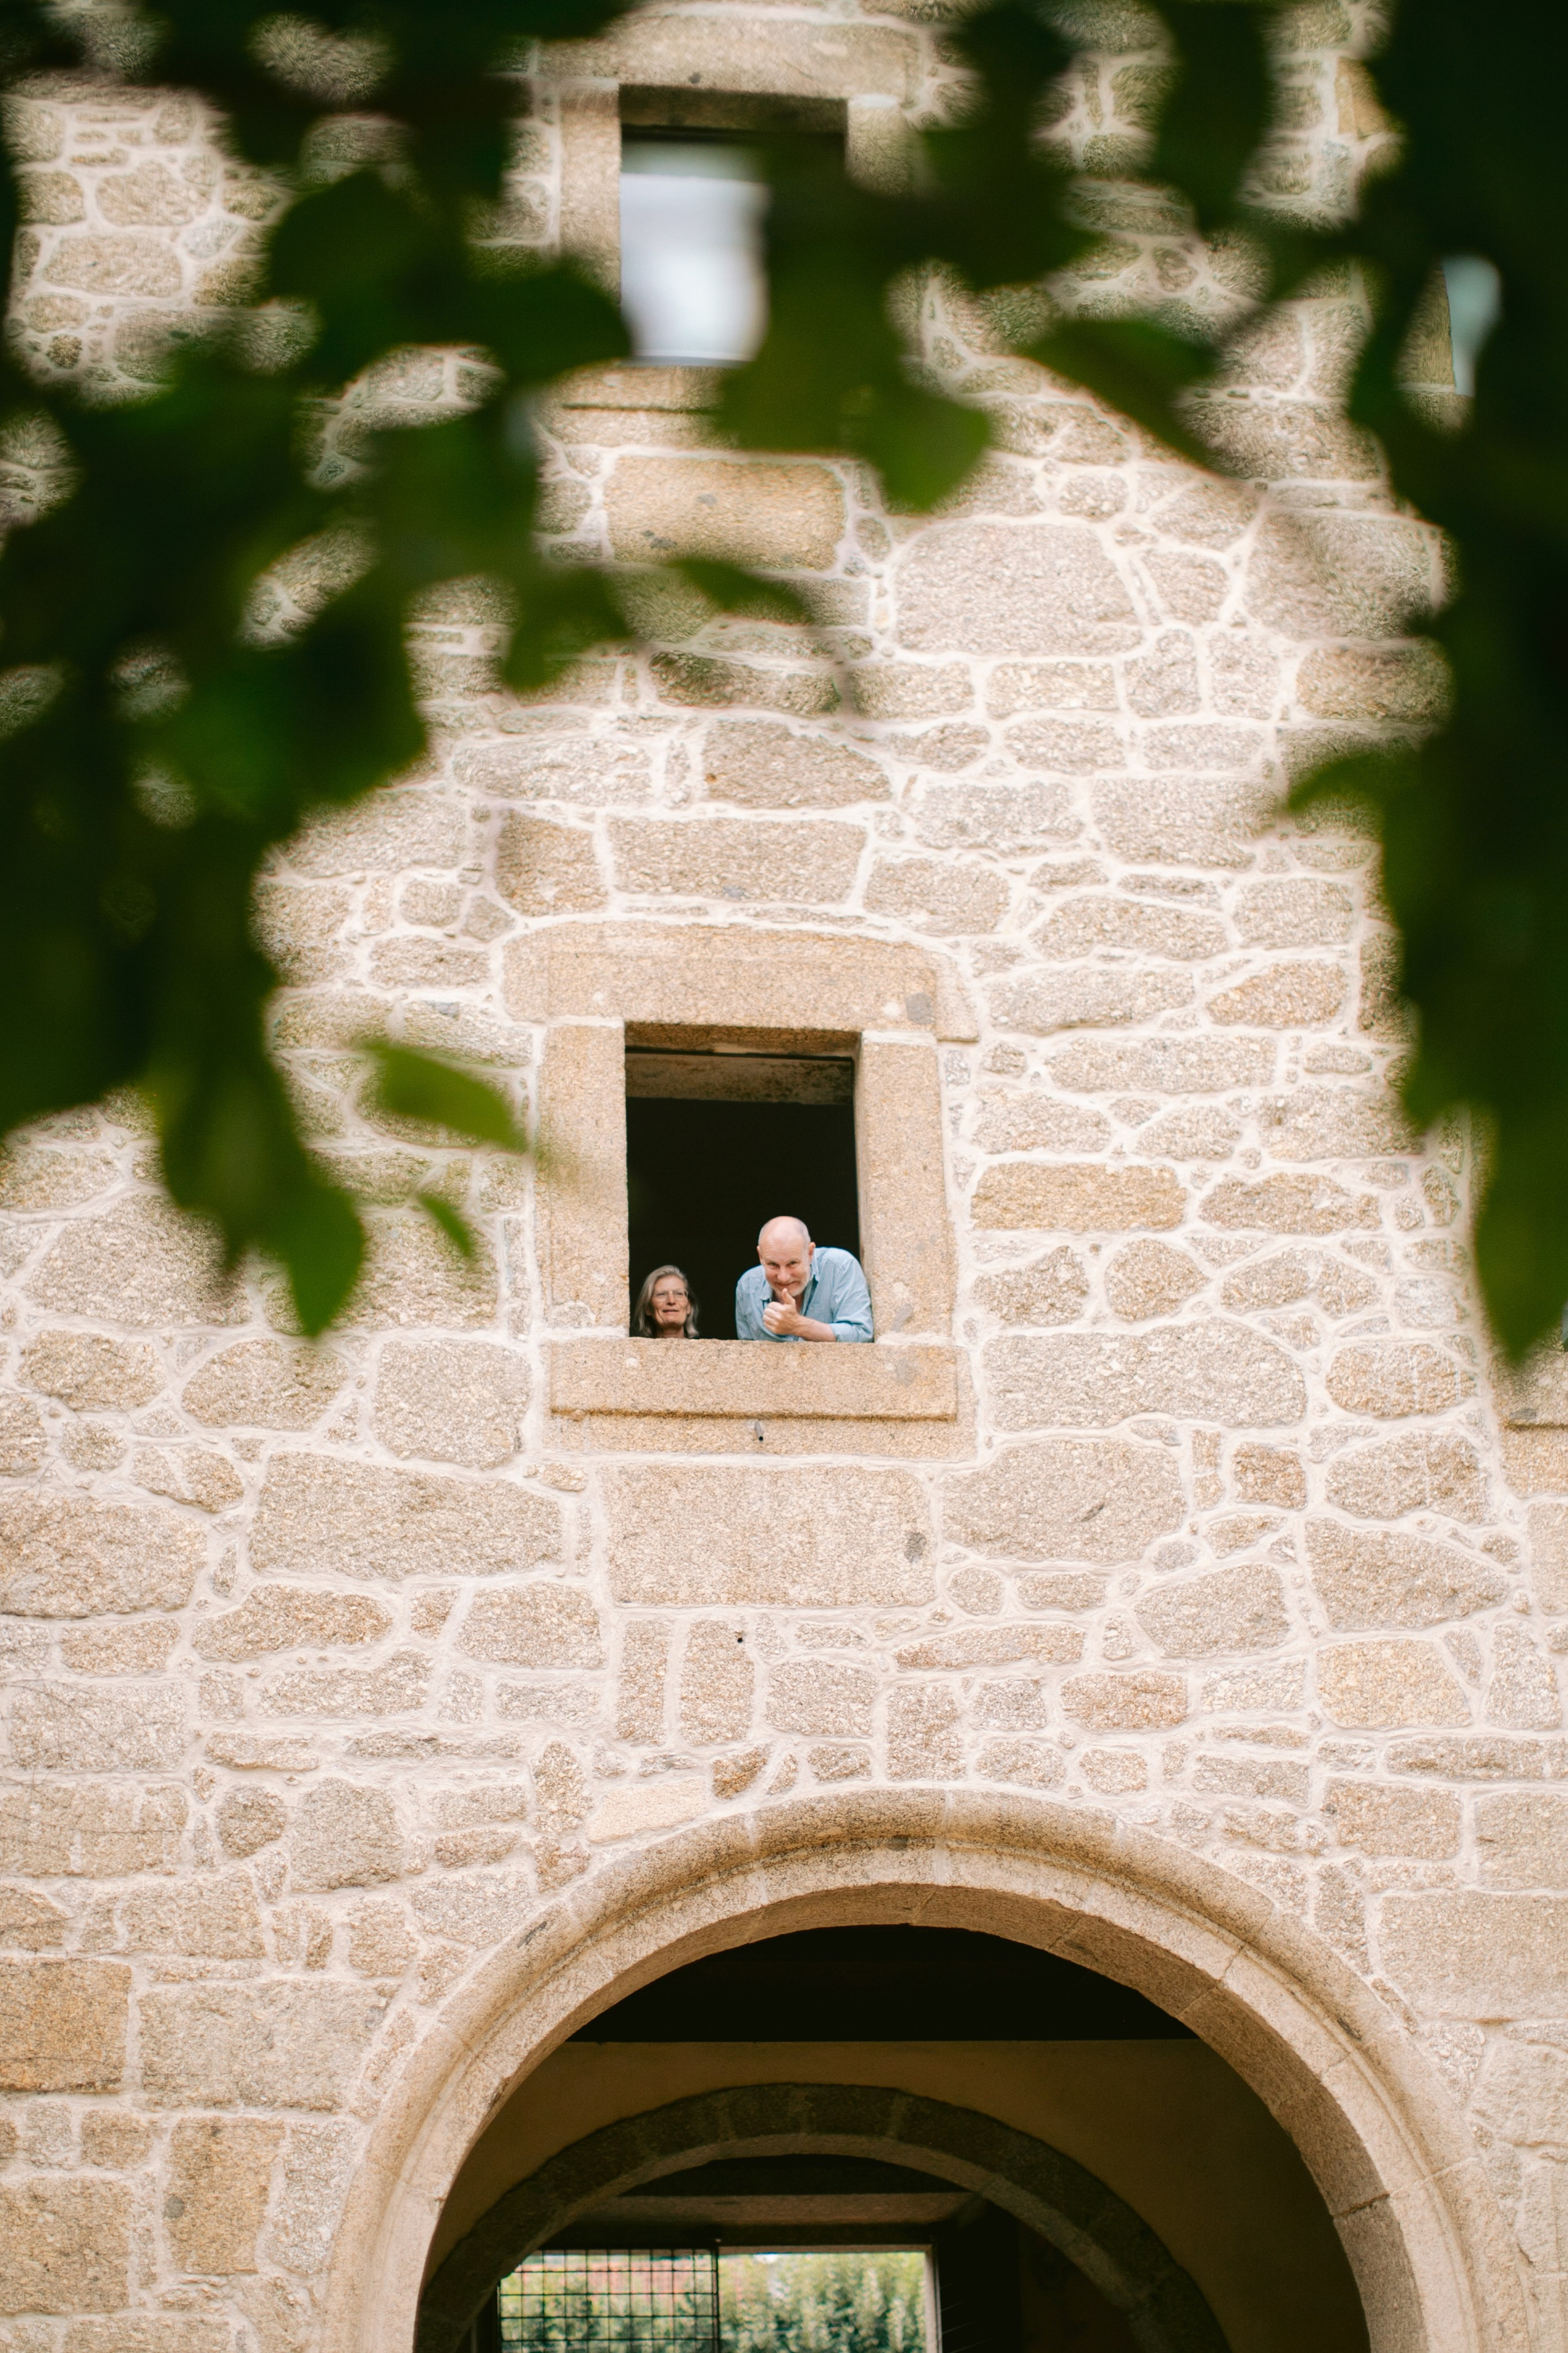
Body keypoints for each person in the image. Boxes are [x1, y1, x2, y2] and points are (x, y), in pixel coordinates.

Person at [734, 1215, 872, 1343]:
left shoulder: (840, 1267)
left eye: (792, 1264)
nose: (783, 1277)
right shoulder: (747, 1286)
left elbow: (862, 1334)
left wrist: (797, 1325)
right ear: (760, 1256)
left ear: (810, 1253)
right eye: (773, 1265)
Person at [634, 1264, 699, 1337]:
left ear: (689, 1307)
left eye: (679, 1294)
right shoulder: (636, 1348)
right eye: (661, 1294)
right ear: (648, 1308)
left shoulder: (706, 1348)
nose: (671, 1301)